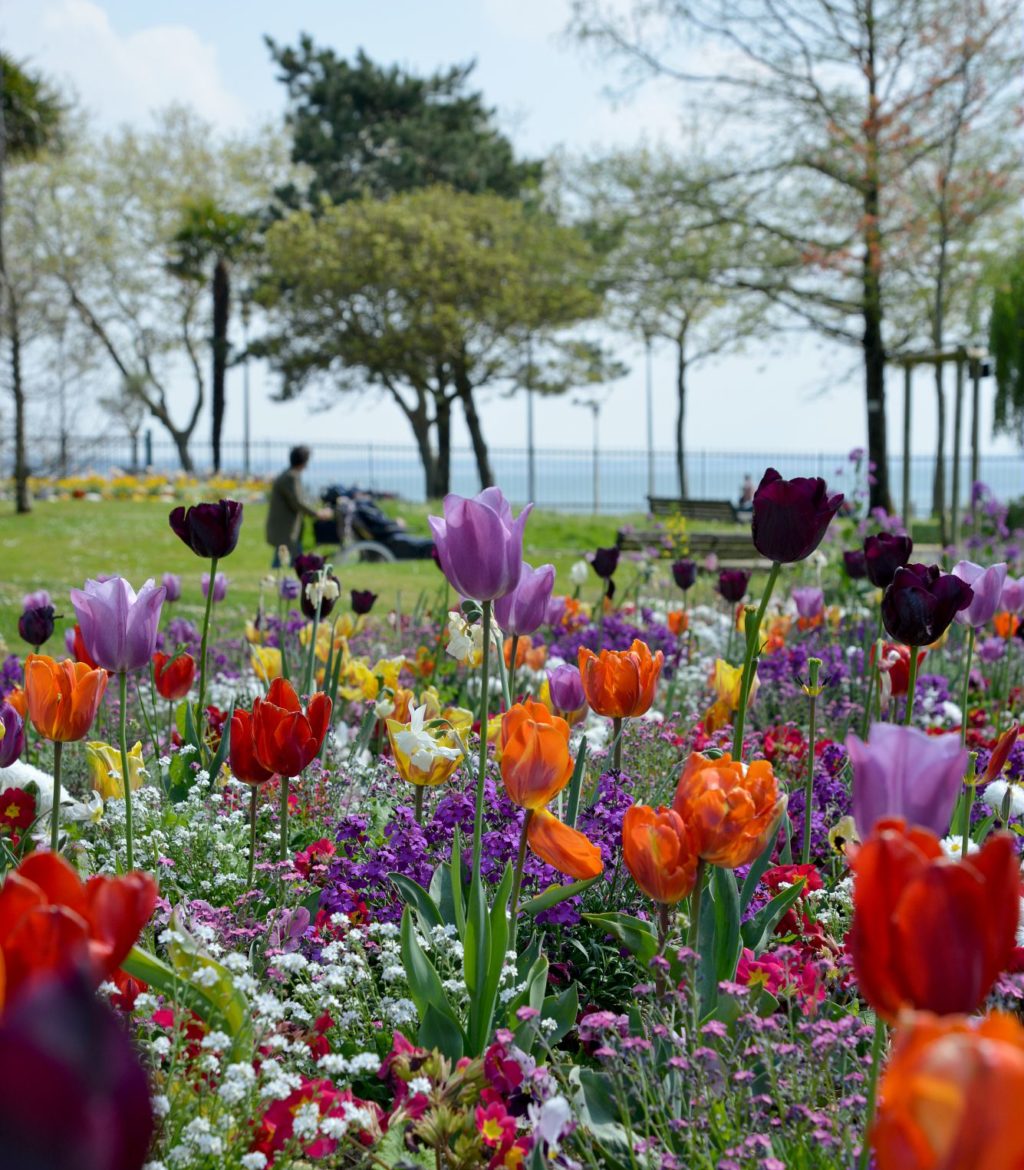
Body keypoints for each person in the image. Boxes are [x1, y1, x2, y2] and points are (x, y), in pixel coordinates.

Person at [265, 446, 333, 566]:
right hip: (285, 528)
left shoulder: (289, 475)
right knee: (292, 559)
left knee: (287, 557)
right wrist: (318, 513)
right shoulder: (290, 477)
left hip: (285, 529)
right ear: (304, 462)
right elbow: (298, 502)